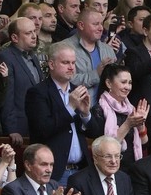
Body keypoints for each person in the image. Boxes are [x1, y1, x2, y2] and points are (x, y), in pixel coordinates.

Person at [25, 43, 101, 186]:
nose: (71, 67)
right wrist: (70, 107)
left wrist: (86, 114)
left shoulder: (77, 90)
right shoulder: (37, 92)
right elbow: (43, 130)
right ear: (51, 64)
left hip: (81, 170)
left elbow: (95, 133)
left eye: (73, 63)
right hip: (54, 172)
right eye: (65, 62)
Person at [92, 64, 149, 173]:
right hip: (112, 170)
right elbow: (106, 148)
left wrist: (141, 124)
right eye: (123, 82)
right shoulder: (99, 110)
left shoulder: (130, 109)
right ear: (108, 83)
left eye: (130, 83)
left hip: (134, 168)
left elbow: (144, 144)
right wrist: (127, 124)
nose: (128, 87)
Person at [0, 17, 43, 146]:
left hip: (36, 125)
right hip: (19, 128)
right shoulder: (6, 56)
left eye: (34, 31)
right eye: (28, 33)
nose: (34, 36)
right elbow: (7, 95)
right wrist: (11, 128)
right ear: (14, 38)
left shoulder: (33, 57)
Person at [65, 8, 118, 105]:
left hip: (107, 110)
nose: (101, 28)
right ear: (81, 25)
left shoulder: (108, 50)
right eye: (95, 24)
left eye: (101, 24)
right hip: (79, 109)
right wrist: (96, 74)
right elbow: (66, 80)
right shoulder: (64, 48)